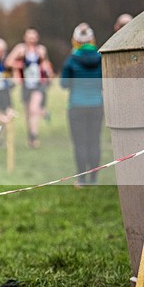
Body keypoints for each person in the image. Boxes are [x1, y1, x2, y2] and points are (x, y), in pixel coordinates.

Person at [60, 23, 103, 187]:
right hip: (97, 105)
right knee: (94, 141)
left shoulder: (71, 59)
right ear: (92, 39)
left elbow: (64, 83)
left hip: (76, 105)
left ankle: (82, 180)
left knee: (80, 143)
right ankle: (94, 179)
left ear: (75, 40)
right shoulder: (100, 58)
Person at [6, 28, 53, 148]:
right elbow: (8, 62)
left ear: (37, 38)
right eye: (29, 37)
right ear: (25, 38)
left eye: (34, 37)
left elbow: (46, 64)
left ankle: (34, 135)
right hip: (26, 84)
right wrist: (21, 64)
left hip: (39, 84)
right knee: (28, 112)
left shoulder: (41, 50)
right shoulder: (20, 49)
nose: (32, 40)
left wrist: (50, 75)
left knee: (34, 109)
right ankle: (31, 136)